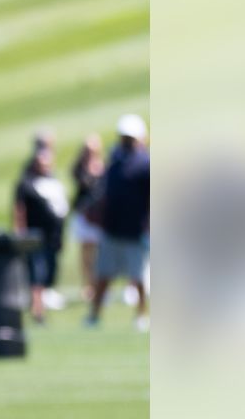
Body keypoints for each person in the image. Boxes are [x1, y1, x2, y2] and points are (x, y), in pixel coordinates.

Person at [86, 114, 150, 331]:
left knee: (138, 277)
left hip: (134, 230)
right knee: (103, 276)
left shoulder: (145, 164)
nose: (127, 141)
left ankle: (141, 316)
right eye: (124, 137)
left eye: (130, 138)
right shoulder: (114, 162)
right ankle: (94, 316)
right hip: (112, 229)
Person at [13, 145, 69, 324]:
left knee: (48, 273)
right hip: (34, 236)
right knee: (37, 272)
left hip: (53, 236)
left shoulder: (53, 182)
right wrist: (20, 231)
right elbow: (19, 210)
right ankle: (38, 311)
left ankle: (37, 305)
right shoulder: (26, 183)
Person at [68, 133, 106, 300]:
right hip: (84, 215)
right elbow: (80, 180)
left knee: (99, 253)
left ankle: (97, 285)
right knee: (86, 254)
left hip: (97, 215)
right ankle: (87, 286)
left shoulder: (102, 166)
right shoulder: (80, 167)